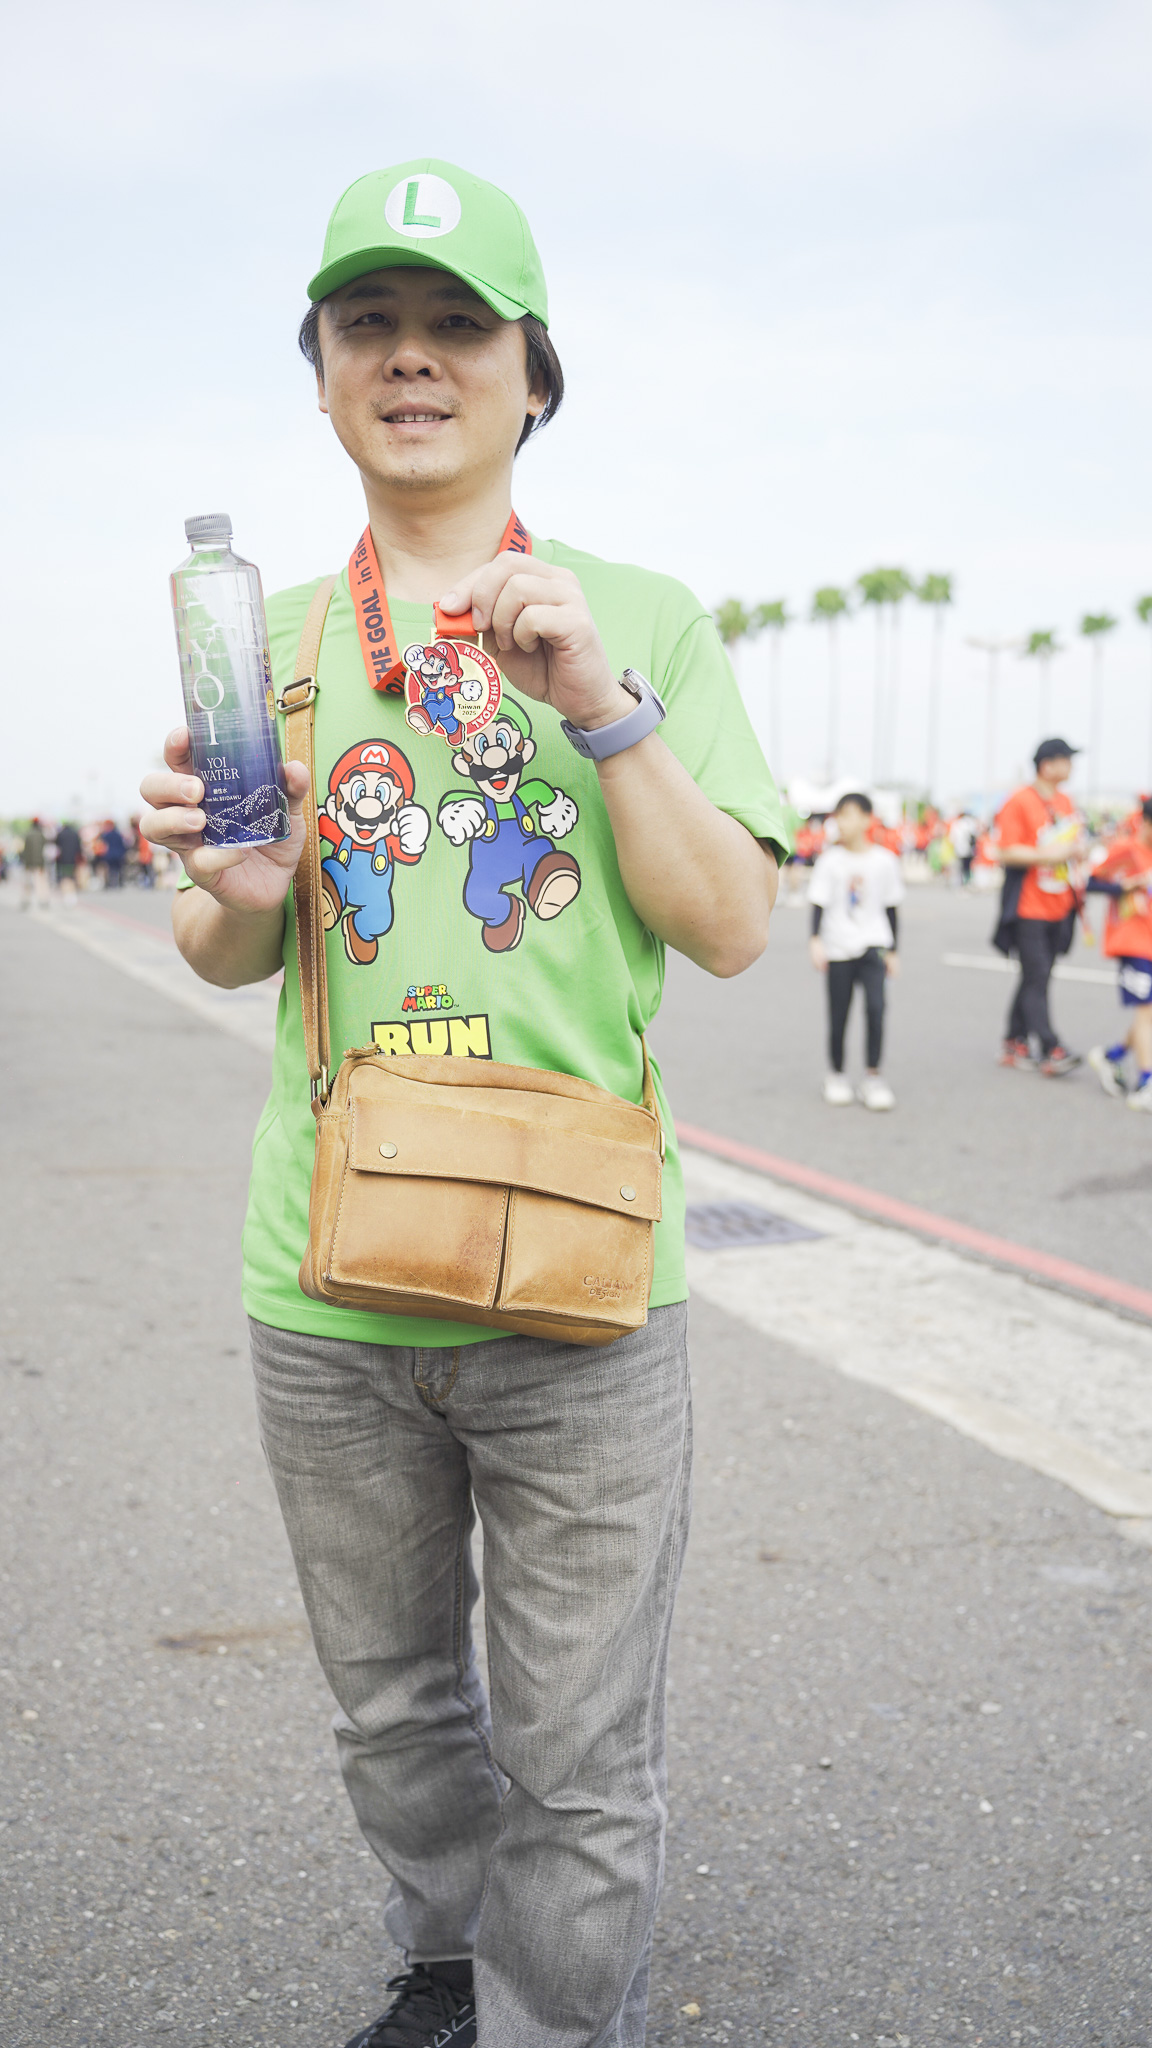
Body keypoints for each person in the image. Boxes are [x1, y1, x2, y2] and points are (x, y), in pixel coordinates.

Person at [139, 158, 791, 2048]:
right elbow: (226, 946)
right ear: (323, 376)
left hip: (584, 1289)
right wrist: (233, 886)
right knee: (395, 1713)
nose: (411, 358)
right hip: (326, 1281)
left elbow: (733, 925)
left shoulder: (643, 616)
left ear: (533, 377)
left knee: (583, 1751)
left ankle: (547, 2022)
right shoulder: (267, 640)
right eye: (370, 325)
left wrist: (602, 704)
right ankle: (446, 1964)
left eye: (456, 326)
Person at [993, 738, 1087, 1075]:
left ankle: (1013, 1040)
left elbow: (1073, 844)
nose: (1071, 766)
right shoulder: (1019, 801)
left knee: (1038, 975)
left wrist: (1078, 851)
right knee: (1037, 976)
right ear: (1047, 765)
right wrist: (1049, 854)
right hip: (1028, 906)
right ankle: (1050, 1047)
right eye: (1066, 759)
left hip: (1060, 904)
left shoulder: (1065, 801)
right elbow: (1005, 851)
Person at [808, 790, 902, 1109]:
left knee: (876, 1009)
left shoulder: (884, 861)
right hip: (838, 946)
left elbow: (891, 908)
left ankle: (873, 1076)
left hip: (874, 944)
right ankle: (836, 1074)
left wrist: (894, 950)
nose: (842, 823)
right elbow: (818, 903)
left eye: (849, 815)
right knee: (839, 1013)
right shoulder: (829, 861)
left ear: (866, 819)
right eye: (839, 816)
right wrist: (815, 940)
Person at [1086, 796, 1152, 1110]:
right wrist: (1128, 885)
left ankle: (1112, 1055)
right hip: (1132, 940)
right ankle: (1146, 1083)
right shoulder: (1126, 850)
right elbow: (1092, 882)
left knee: (1149, 1014)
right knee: (1146, 1011)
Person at [19, 816, 48, 910]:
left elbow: (25, 850)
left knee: (28, 882)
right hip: (39, 862)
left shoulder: (28, 834)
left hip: (29, 862)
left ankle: (26, 900)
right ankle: (42, 900)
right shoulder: (41, 835)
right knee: (40, 882)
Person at [55, 820, 82, 903]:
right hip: (73, 859)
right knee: (72, 876)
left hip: (63, 859)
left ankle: (66, 894)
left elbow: (57, 846)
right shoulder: (75, 834)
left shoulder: (61, 834)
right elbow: (79, 847)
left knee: (64, 877)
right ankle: (72, 894)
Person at [950, 810, 977, 884]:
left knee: (960, 867)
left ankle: (961, 882)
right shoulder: (970, 823)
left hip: (959, 850)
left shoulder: (956, 824)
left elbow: (952, 838)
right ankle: (967, 881)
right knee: (967, 866)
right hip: (968, 849)